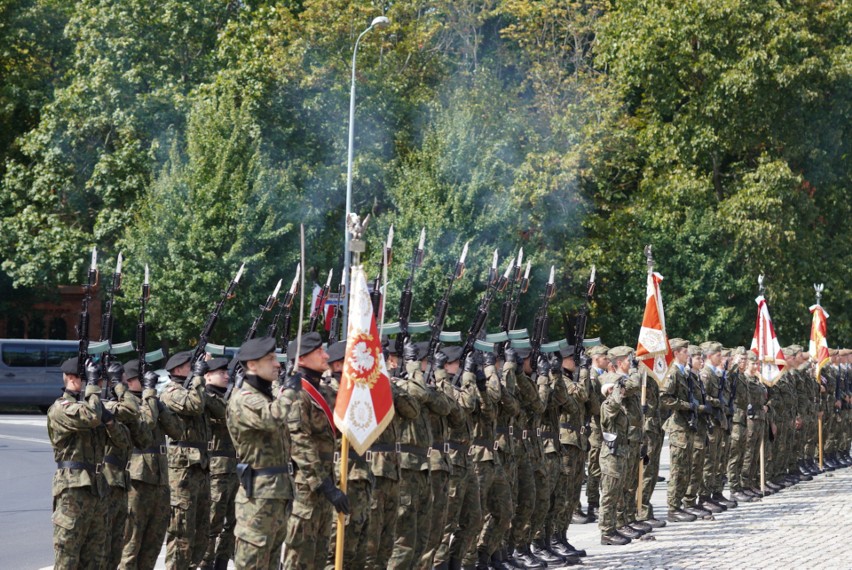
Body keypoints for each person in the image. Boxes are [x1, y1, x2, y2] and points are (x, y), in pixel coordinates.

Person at [48, 356, 129, 569]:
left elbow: (124, 442)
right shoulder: (61, 407)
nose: (100, 384)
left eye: (99, 380)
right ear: (72, 379)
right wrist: (92, 388)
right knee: (68, 556)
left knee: (96, 559)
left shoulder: (95, 407)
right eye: (94, 379)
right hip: (73, 490)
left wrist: (110, 421)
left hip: (98, 488)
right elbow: (91, 416)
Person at [283, 332, 350, 569]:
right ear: (301, 359)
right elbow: (299, 443)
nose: (326, 355)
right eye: (319, 351)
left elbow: (346, 418)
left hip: (323, 483)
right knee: (299, 557)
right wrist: (327, 486)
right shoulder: (297, 393)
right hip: (305, 486)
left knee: (319, 557)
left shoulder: (322, 390)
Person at [226, 335, 293, 569]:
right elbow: (271, 418)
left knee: (272, 563)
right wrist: (290, 392)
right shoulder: (244, 399)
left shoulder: (266, 397)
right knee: (253, 563)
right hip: (258, 498)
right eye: (271, 359)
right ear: (252, 365)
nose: (278, 364)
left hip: (278, 493)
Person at [161, 350, 225, 569]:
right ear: (178, 370)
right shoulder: (170, 392)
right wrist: (198, 378)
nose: (196, 368)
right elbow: (194, 405)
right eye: (191, 366)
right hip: (182, 472)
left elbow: (221, 411)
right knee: (182, 532)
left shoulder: (196, 389)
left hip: (202, 468)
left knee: (202, 531)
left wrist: (204, 386)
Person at [121, 360, 185, 570]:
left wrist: (158, 404)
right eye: (143, 379)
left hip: (160, 480)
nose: (149, 384)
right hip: (136, 481)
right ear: (129, 381)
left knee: (152, 546)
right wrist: (149, 398)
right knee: (131, 544)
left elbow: (177, 430)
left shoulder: (153, 402)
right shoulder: (125, 403)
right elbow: (145, 429)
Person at [201, 357, 239, 570]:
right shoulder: (206, 397)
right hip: (216, 468)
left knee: (232, 522)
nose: (227, 376)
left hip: (234, 467)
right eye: (221, 372)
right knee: (213, 521)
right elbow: (227, 413)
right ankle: (206, 563)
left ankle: (221, 563)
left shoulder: (226, 395)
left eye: (227, 372)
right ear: (207, 375)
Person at [660, 339, 698, 522]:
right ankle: (673, 507)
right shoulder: (673, 372)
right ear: (676, 353)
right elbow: (665, 397)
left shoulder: (685, 373)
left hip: (687, 425)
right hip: (678, 426)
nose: (688, 354)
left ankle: (680, 503)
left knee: (686, 468)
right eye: (685, 351)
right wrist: (686, 405)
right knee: (678, 469)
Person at [597, 373, 630, 545]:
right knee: (609, 494)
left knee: (617, 493)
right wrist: (617, 385)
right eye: (619, 387)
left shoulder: (620, 406)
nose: (623, 389)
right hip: (611, 455)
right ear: (610, 389)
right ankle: (606, 532)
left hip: (620, 454)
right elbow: (615, 403)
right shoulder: (607, 405)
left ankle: (614, 527)